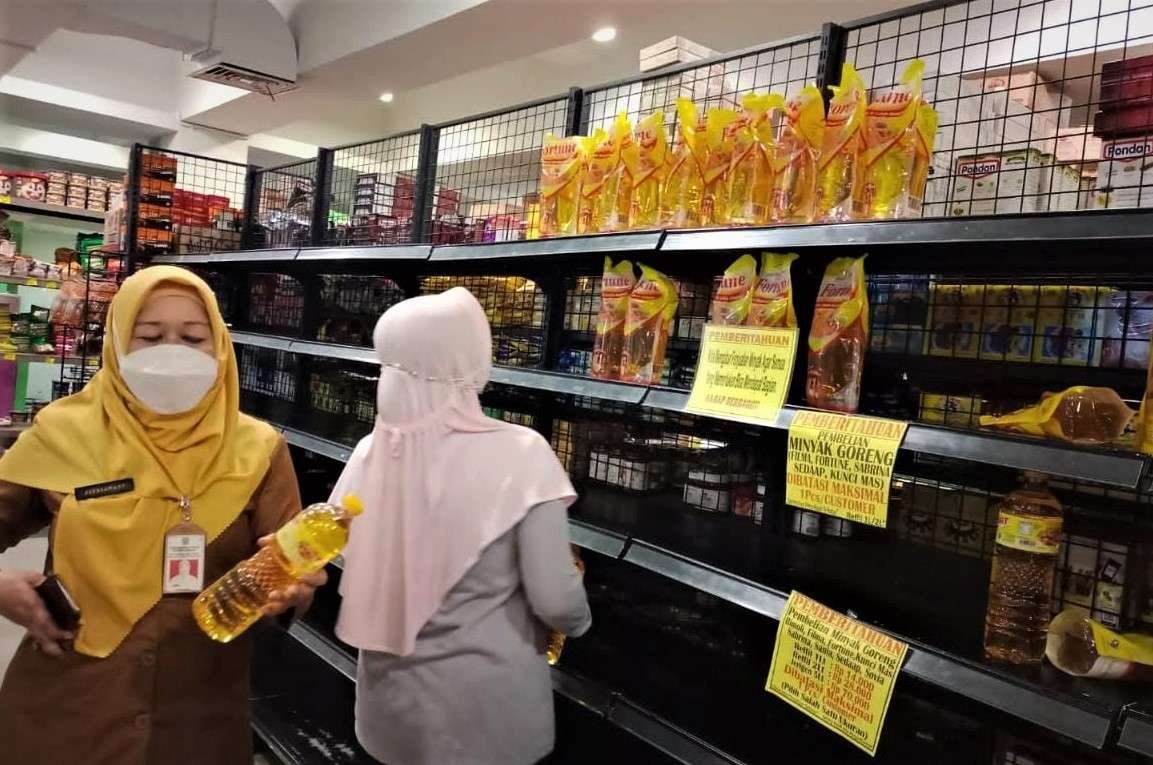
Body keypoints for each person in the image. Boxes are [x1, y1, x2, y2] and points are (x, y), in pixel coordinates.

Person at [0, 266, 323, 764]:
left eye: (192, 338)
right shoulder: (61, 435)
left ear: (218, 347)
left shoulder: (258, 452)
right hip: (69, 711)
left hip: (198, 719)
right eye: (149, 337)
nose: (171, 353)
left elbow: (293, 571)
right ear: (115, 345)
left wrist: (291, 591)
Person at [333, 287, 591, 765]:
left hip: (390, 714)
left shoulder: (373, 452)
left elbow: (344, 552)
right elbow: (556, 598)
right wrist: (578, 623)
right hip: (490, 717)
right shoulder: (522, 453)